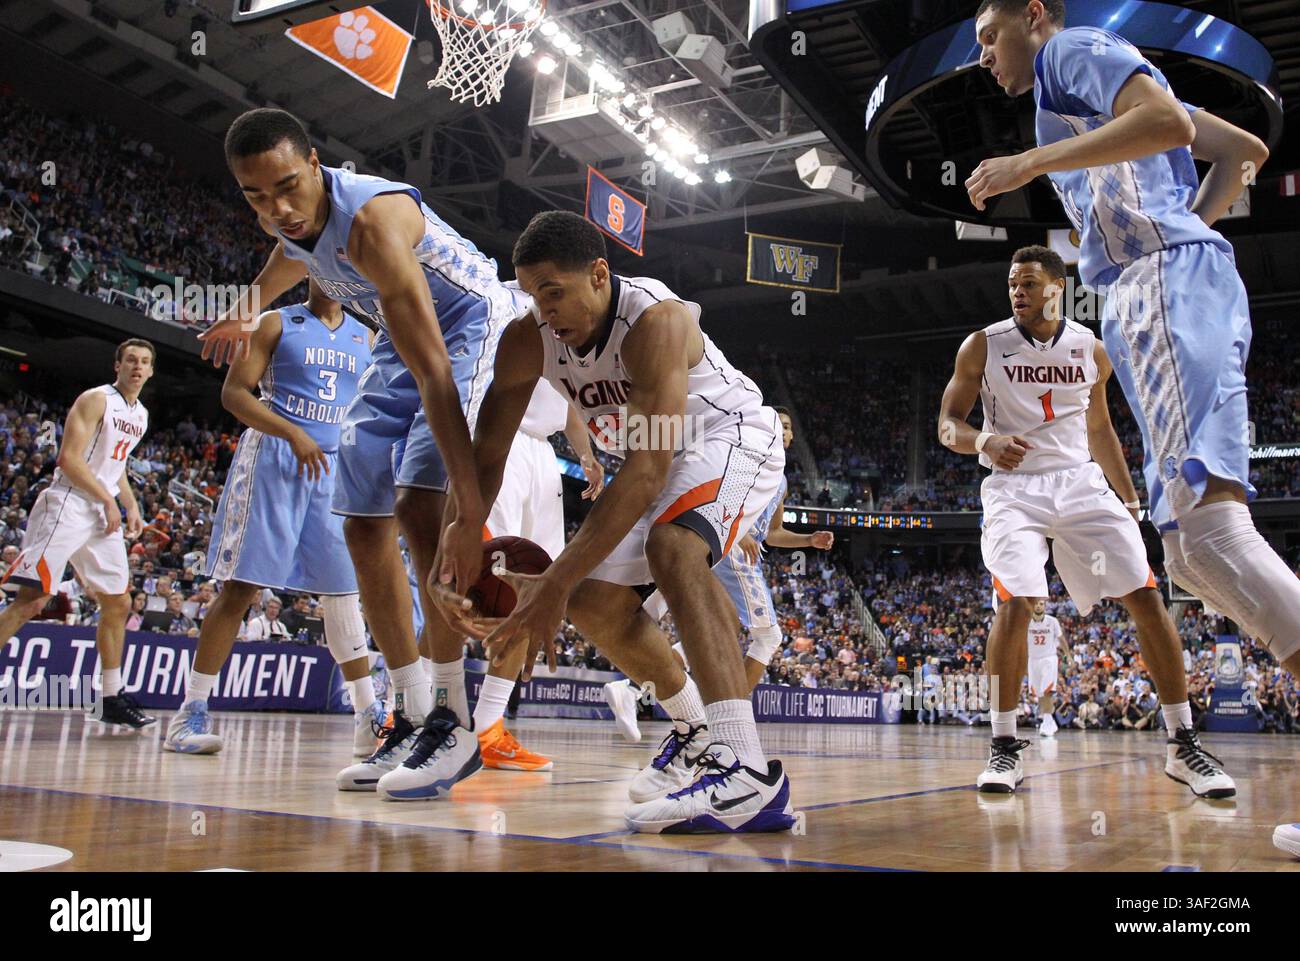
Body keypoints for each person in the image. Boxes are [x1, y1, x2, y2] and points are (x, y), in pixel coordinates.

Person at [967, 0, 1296, 843]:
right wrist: (1190, 231)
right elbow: (1243, 151)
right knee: (1193, 548)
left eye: (988, 37)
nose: (983, 57)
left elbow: (1159, 120)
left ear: (1031, 17)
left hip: (1160, 286)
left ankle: (1181, 739)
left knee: (1208, 538)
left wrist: (1029, 162)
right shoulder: (1094, 78)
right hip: (1171, 279)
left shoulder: (1068, 52)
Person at [431, 211, 794, 833]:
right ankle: (696, 731)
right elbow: (486, 452)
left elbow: (650, 469)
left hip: (728, 436)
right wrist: (457, 539)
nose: (545, 311)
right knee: (595, 604)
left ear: (599, 274)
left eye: (554, 291)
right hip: (652, 460)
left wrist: (553, 580)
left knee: (674, 547)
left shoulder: (656, 320)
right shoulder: (529, 339)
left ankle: (747, 772)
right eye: (532, 295)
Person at [200, 108, 527, 796]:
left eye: (288, 186)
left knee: (415, 504)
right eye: (256, 196)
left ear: (317, 163)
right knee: (361, 519)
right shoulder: (292, 222)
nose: (278, 208)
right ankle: (407, 716)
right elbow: (287, 256)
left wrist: (469, 511)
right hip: (400, 338)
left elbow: (437, 374)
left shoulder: (372, 227)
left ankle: (453, 719)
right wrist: (244, 307)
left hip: (469, 324)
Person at [937, 245, 1234, 797]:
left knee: (1145, 596)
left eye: (1027, 283)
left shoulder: (1092, 350)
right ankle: (1004, 747)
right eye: (1011, 284)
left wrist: (1128, 503)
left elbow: (1100, 431)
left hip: (1080, 482)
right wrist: (985, 440)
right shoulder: (984, 344)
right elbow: (947, 426)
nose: (1017, 293)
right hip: (1014, 490)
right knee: (1017, 601)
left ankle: (1183, 744)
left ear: (1056, 287)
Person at [164, 283, 382, 758]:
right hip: (275, 457)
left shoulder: (366, 337)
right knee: (242, 586)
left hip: (332, 468)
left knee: (343, 592)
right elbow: (235, 394)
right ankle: (190, 712)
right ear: (310, 269)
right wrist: (292, 432)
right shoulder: (276, 322)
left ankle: (368, 716)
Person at [606, 406, 833, 742]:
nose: (781, 430)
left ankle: (635, 690)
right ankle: (729, 720)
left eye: (786, 426)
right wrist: (738, 533)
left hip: (727, 548)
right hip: (730, 550)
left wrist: (808, 541)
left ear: (792, 436)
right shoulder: (750, 456)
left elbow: (771, 533)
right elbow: (719, 494)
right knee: (768, 637)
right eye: (778, 424)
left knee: (715, 630)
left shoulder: (780, 480)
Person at [0, 339, 156, 728]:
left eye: (145, 362)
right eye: (131, 360)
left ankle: (110, 697)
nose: (137, 367)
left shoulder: (140, 414)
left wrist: (131, 504)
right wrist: (107, 500)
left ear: (151, 371)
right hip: (68, 504)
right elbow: (69, 459)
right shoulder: (95, 399)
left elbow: (115, 462)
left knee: (118, 603)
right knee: (32, 601)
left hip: (99, 510)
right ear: (117, 365)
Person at [1025, 598, 1067, 737]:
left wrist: (1069, 655)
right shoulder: (1026, 622)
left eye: (1041, 604)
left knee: (1047, 691)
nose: (1038, 606)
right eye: (1036, 604)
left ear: (1045, 606)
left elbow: (1061, 639)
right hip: (1033, 660)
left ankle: (1047, 721)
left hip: (1049, 658)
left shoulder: (1052, 621)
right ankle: (1049, 721)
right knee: (1039, 693)